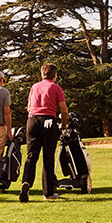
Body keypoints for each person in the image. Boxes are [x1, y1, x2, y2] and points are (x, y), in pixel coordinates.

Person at [19, 63, 69, 202]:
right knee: (48, 157)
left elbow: (29, 107)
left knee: (31, 156)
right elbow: (64, 110)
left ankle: (26, 183)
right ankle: (48, 192)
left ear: (42, 74)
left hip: (32, 121)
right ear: (55, 75)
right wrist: (62, 126)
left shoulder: (34, 87)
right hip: (48, 120)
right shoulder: (55, 87)